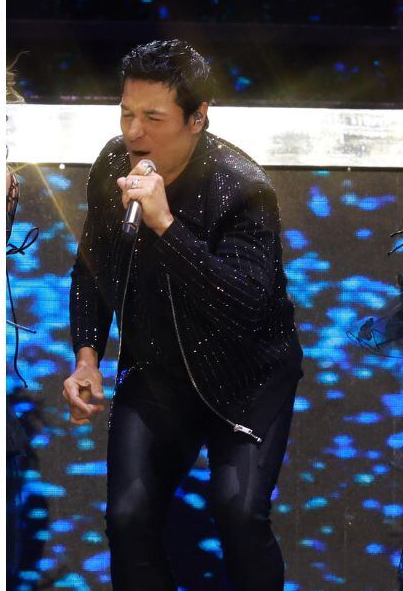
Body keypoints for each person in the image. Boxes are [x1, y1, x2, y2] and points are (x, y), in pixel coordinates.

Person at [63, 39, 302, 591]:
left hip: (245, 376)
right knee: (127, 516)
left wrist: (168, 227)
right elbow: (91, 270)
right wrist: (87, 357)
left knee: (238, 513)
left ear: (197, 119)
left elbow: (242, 305)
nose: (134, 132)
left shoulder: (242, 187)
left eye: (152, 117)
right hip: (158, 368)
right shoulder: (112, 166)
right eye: (126, 112)